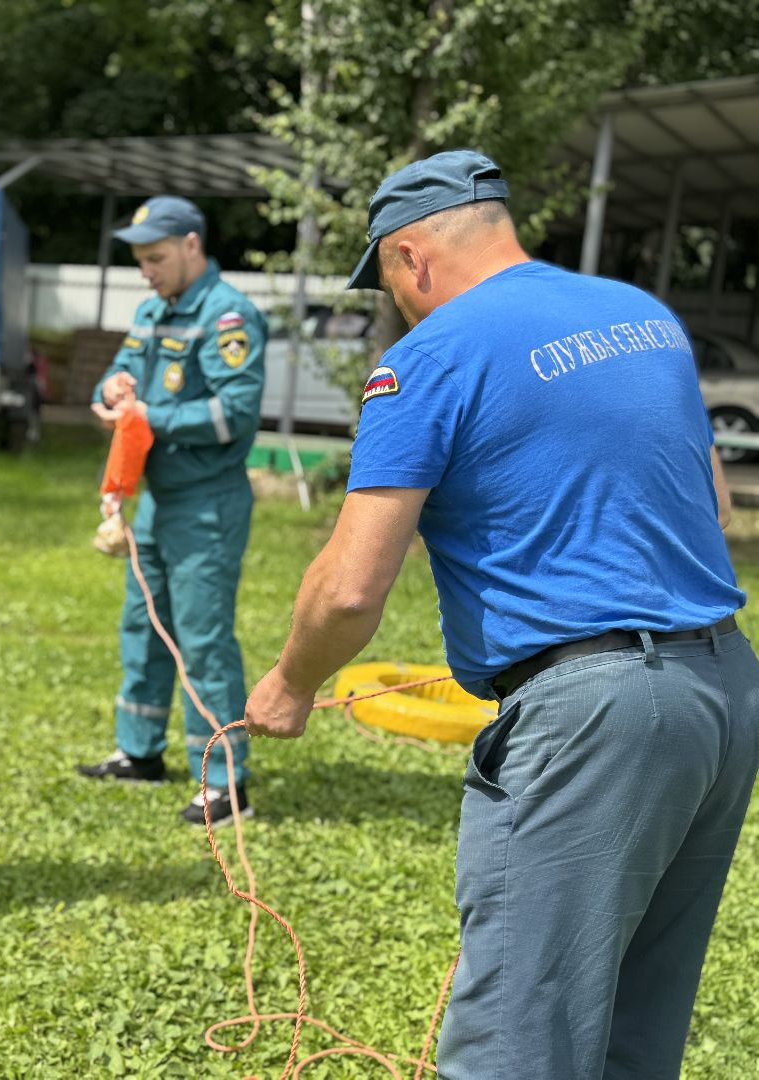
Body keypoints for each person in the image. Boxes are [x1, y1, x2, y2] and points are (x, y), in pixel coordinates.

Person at [244, 149, 758, 1078]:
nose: (397, 303)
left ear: (413, 259)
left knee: (520, 1039)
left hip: (595, 718)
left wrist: (288, 685)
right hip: (723, 693)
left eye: (390, 283)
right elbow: (716, 507)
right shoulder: (642, 318)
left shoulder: (428, 357)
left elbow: (353, 586)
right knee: (637, 1027)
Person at [76, 195, 267, 826]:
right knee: (144, 623)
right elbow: (121, 367)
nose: (146, 271)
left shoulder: (227, 317)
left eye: (156, 258)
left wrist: (148, 417)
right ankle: (140, 752)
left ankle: (225, 782)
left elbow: (234, 413)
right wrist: (114, 389)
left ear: (192, 245)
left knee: (203, 639)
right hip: (156, 501)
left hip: (206, 503)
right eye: (139, 260)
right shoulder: (153, 311)